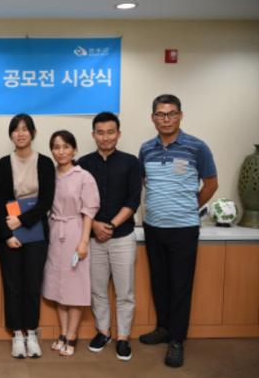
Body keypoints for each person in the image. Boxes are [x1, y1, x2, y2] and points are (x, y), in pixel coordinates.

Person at [138, 94, 218, 368]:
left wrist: (188, 207)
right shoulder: (146, 149)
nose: (166, 119)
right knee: (159, 282)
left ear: (180, 115)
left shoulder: (197, 147)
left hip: (184, 228)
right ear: (153, 118)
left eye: (171, 113)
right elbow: (147, 183)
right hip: (153, 227)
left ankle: (176, 340)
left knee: (180, 285)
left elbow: (211, 184)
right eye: (161, 114)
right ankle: (163, 328)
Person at [78, 112, 142, 361]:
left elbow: (133, 200)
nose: (105, 137)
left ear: (118, 134)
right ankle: (103, 332)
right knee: (98, 290)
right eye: (100, 132)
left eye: (110, 132)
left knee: (125, 292)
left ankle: (123, 337)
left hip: (122, 236)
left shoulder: (131, 162)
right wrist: (95, 225)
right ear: (93, 135)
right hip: (93, 238)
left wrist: (111, 225)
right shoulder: (83, 163)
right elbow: (77, 201)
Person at [0, 114, 55, 359]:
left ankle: (31, 333)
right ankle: (17, 335)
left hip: (36, 233)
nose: (20, 134)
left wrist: (22, 220)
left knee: (32, 285)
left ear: (33, 133)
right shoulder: (2, 164)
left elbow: (46, 201)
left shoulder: (45, 163)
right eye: (16, 129)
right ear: (11, 134)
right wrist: (7, 234)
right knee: (13, 286)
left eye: (25, 129)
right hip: (10, 234)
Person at [42, 130, 99, 357]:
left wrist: (83, 242)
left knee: (75, 287)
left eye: (66, 146)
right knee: (58, 286)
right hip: (54, 231)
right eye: (56, 147)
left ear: (74, 150)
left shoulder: (84, 176)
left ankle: (72, 335)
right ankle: (63, 333)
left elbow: (89, 211)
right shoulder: (49, 175)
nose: (61, 151)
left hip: (75, 231)